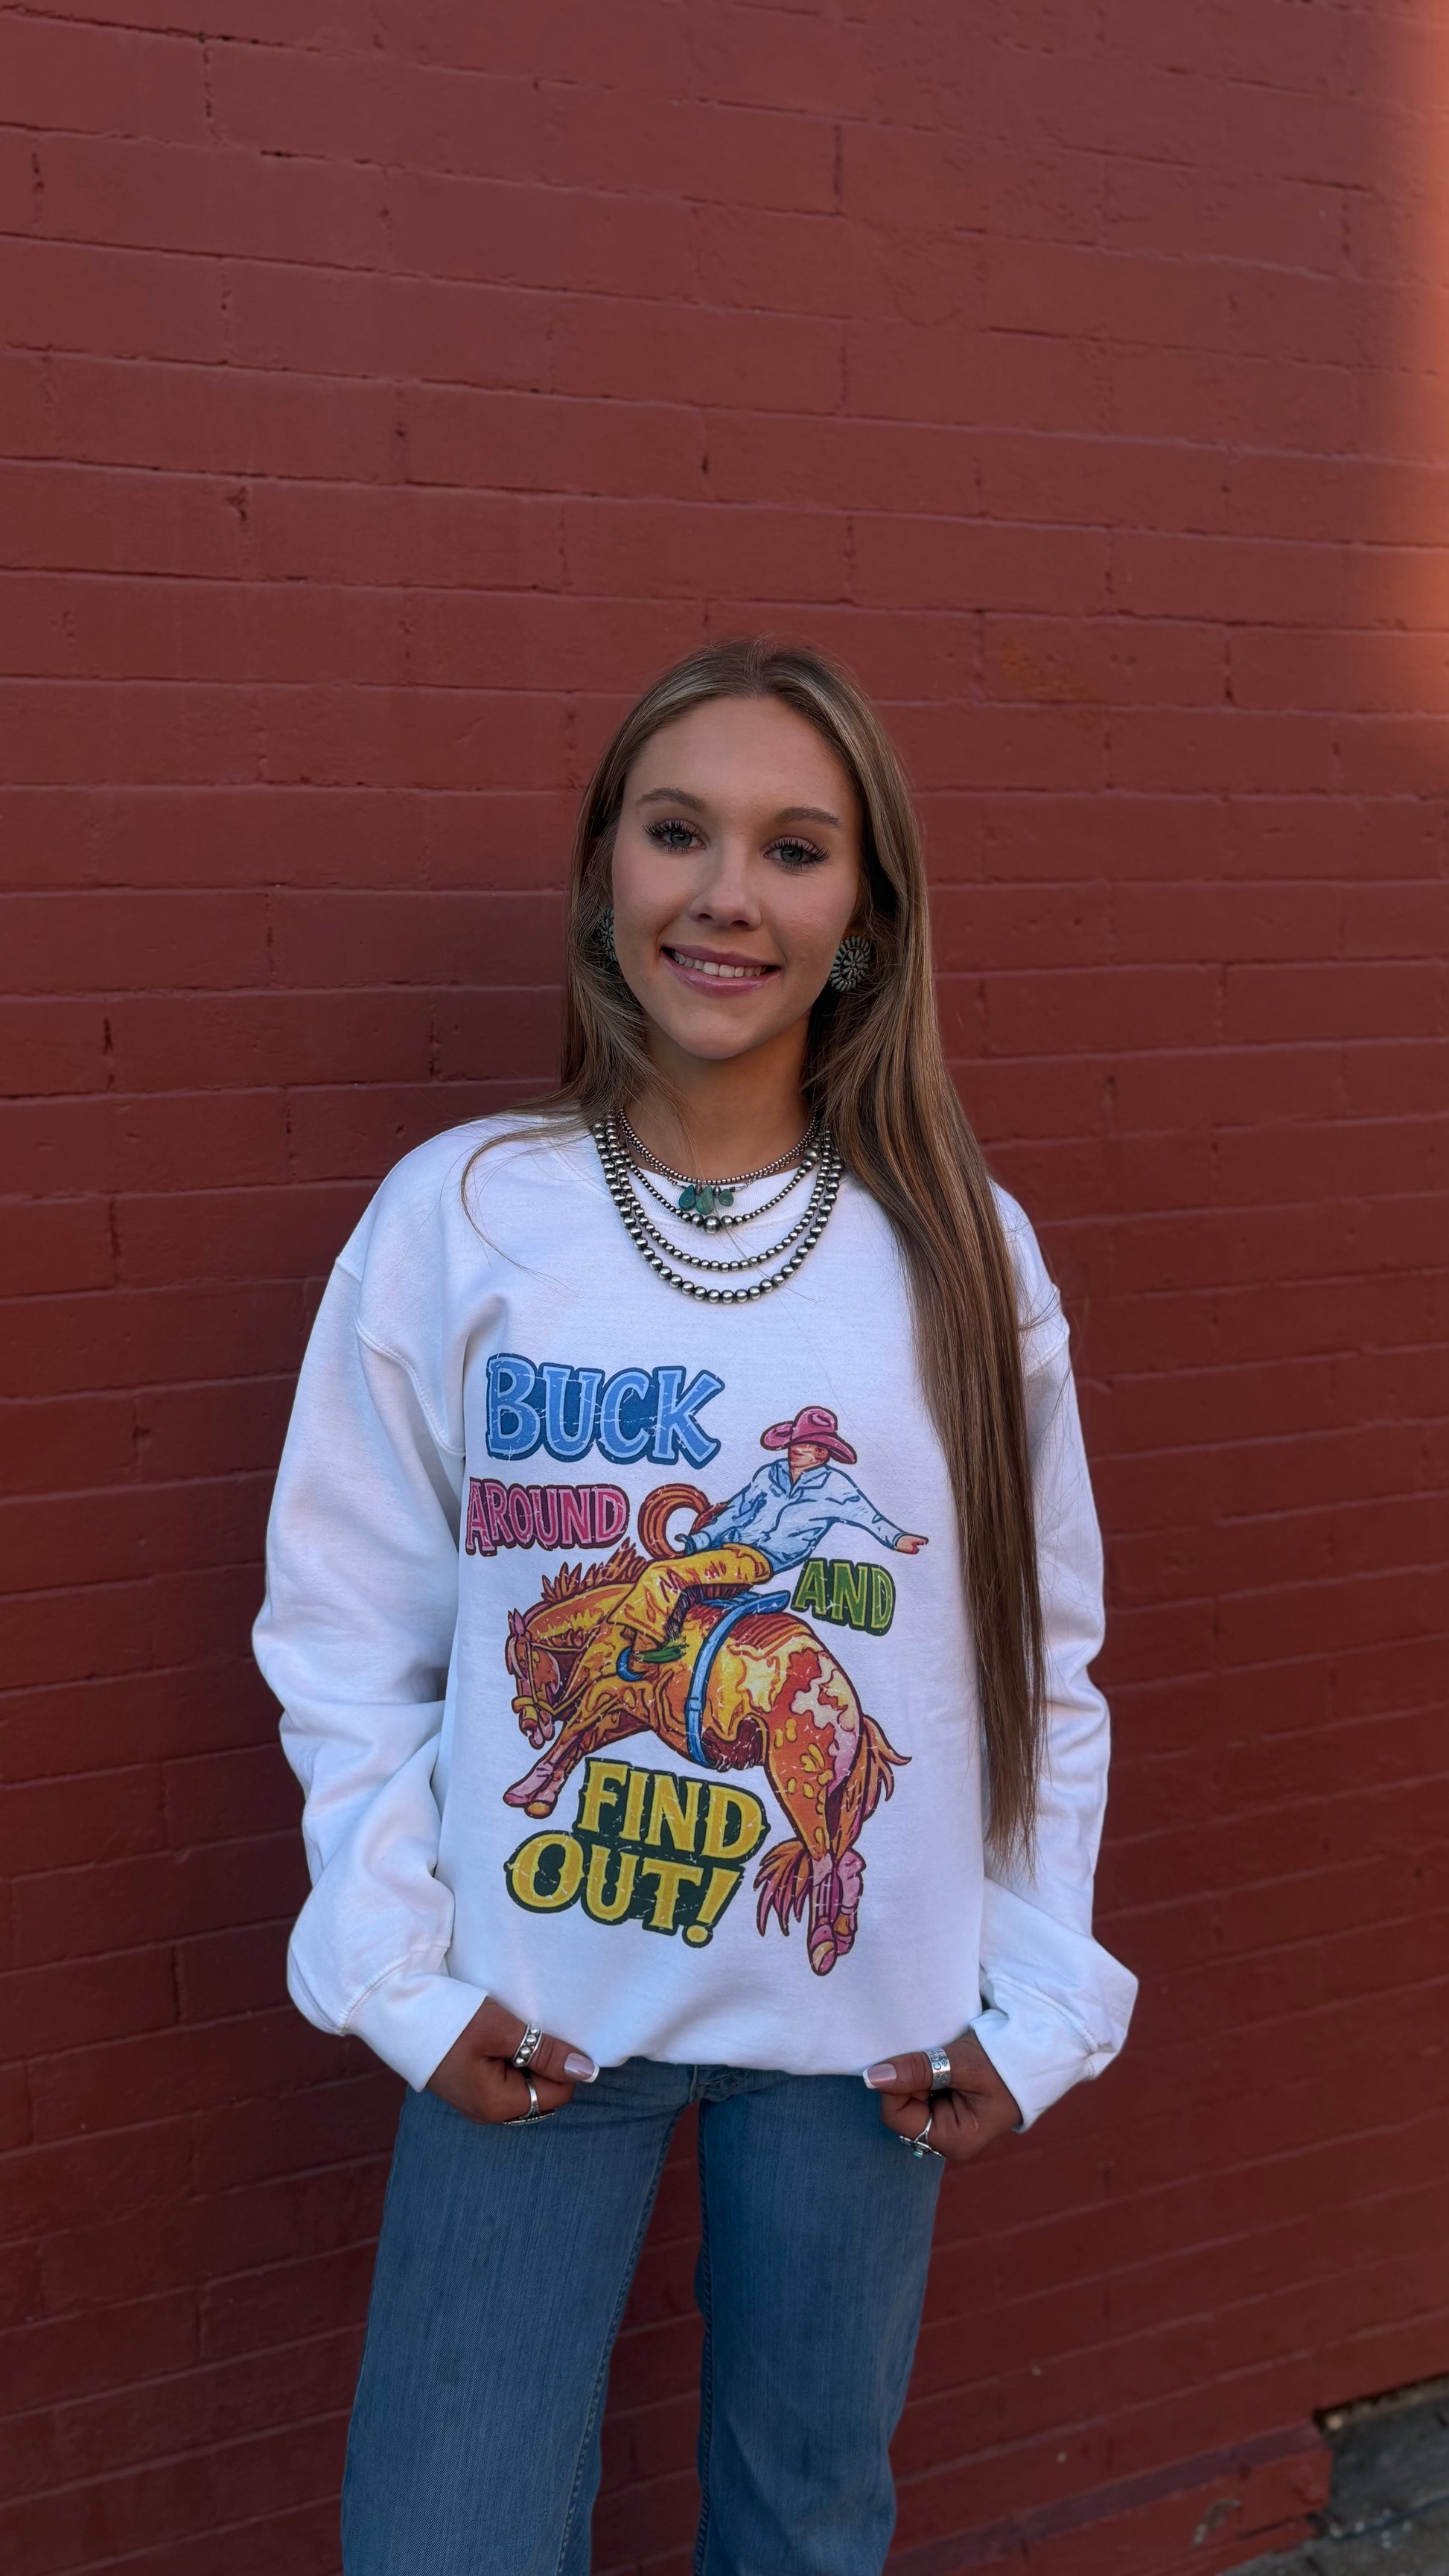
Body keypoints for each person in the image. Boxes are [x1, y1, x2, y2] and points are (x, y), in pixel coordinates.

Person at [254, 637, 1137, 2576]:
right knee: (446, 2534)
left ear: (864, 918)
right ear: (605, 877)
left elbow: (1032, 1656)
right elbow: (345, 1628)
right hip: (531, 2009)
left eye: (793, 848)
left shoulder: (959, 1251)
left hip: (863, 2036)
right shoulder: (464, 1213)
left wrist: (1039, 1986)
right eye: (679, 833)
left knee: (805, 2521)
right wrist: (397, 1972)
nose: (728, 892)